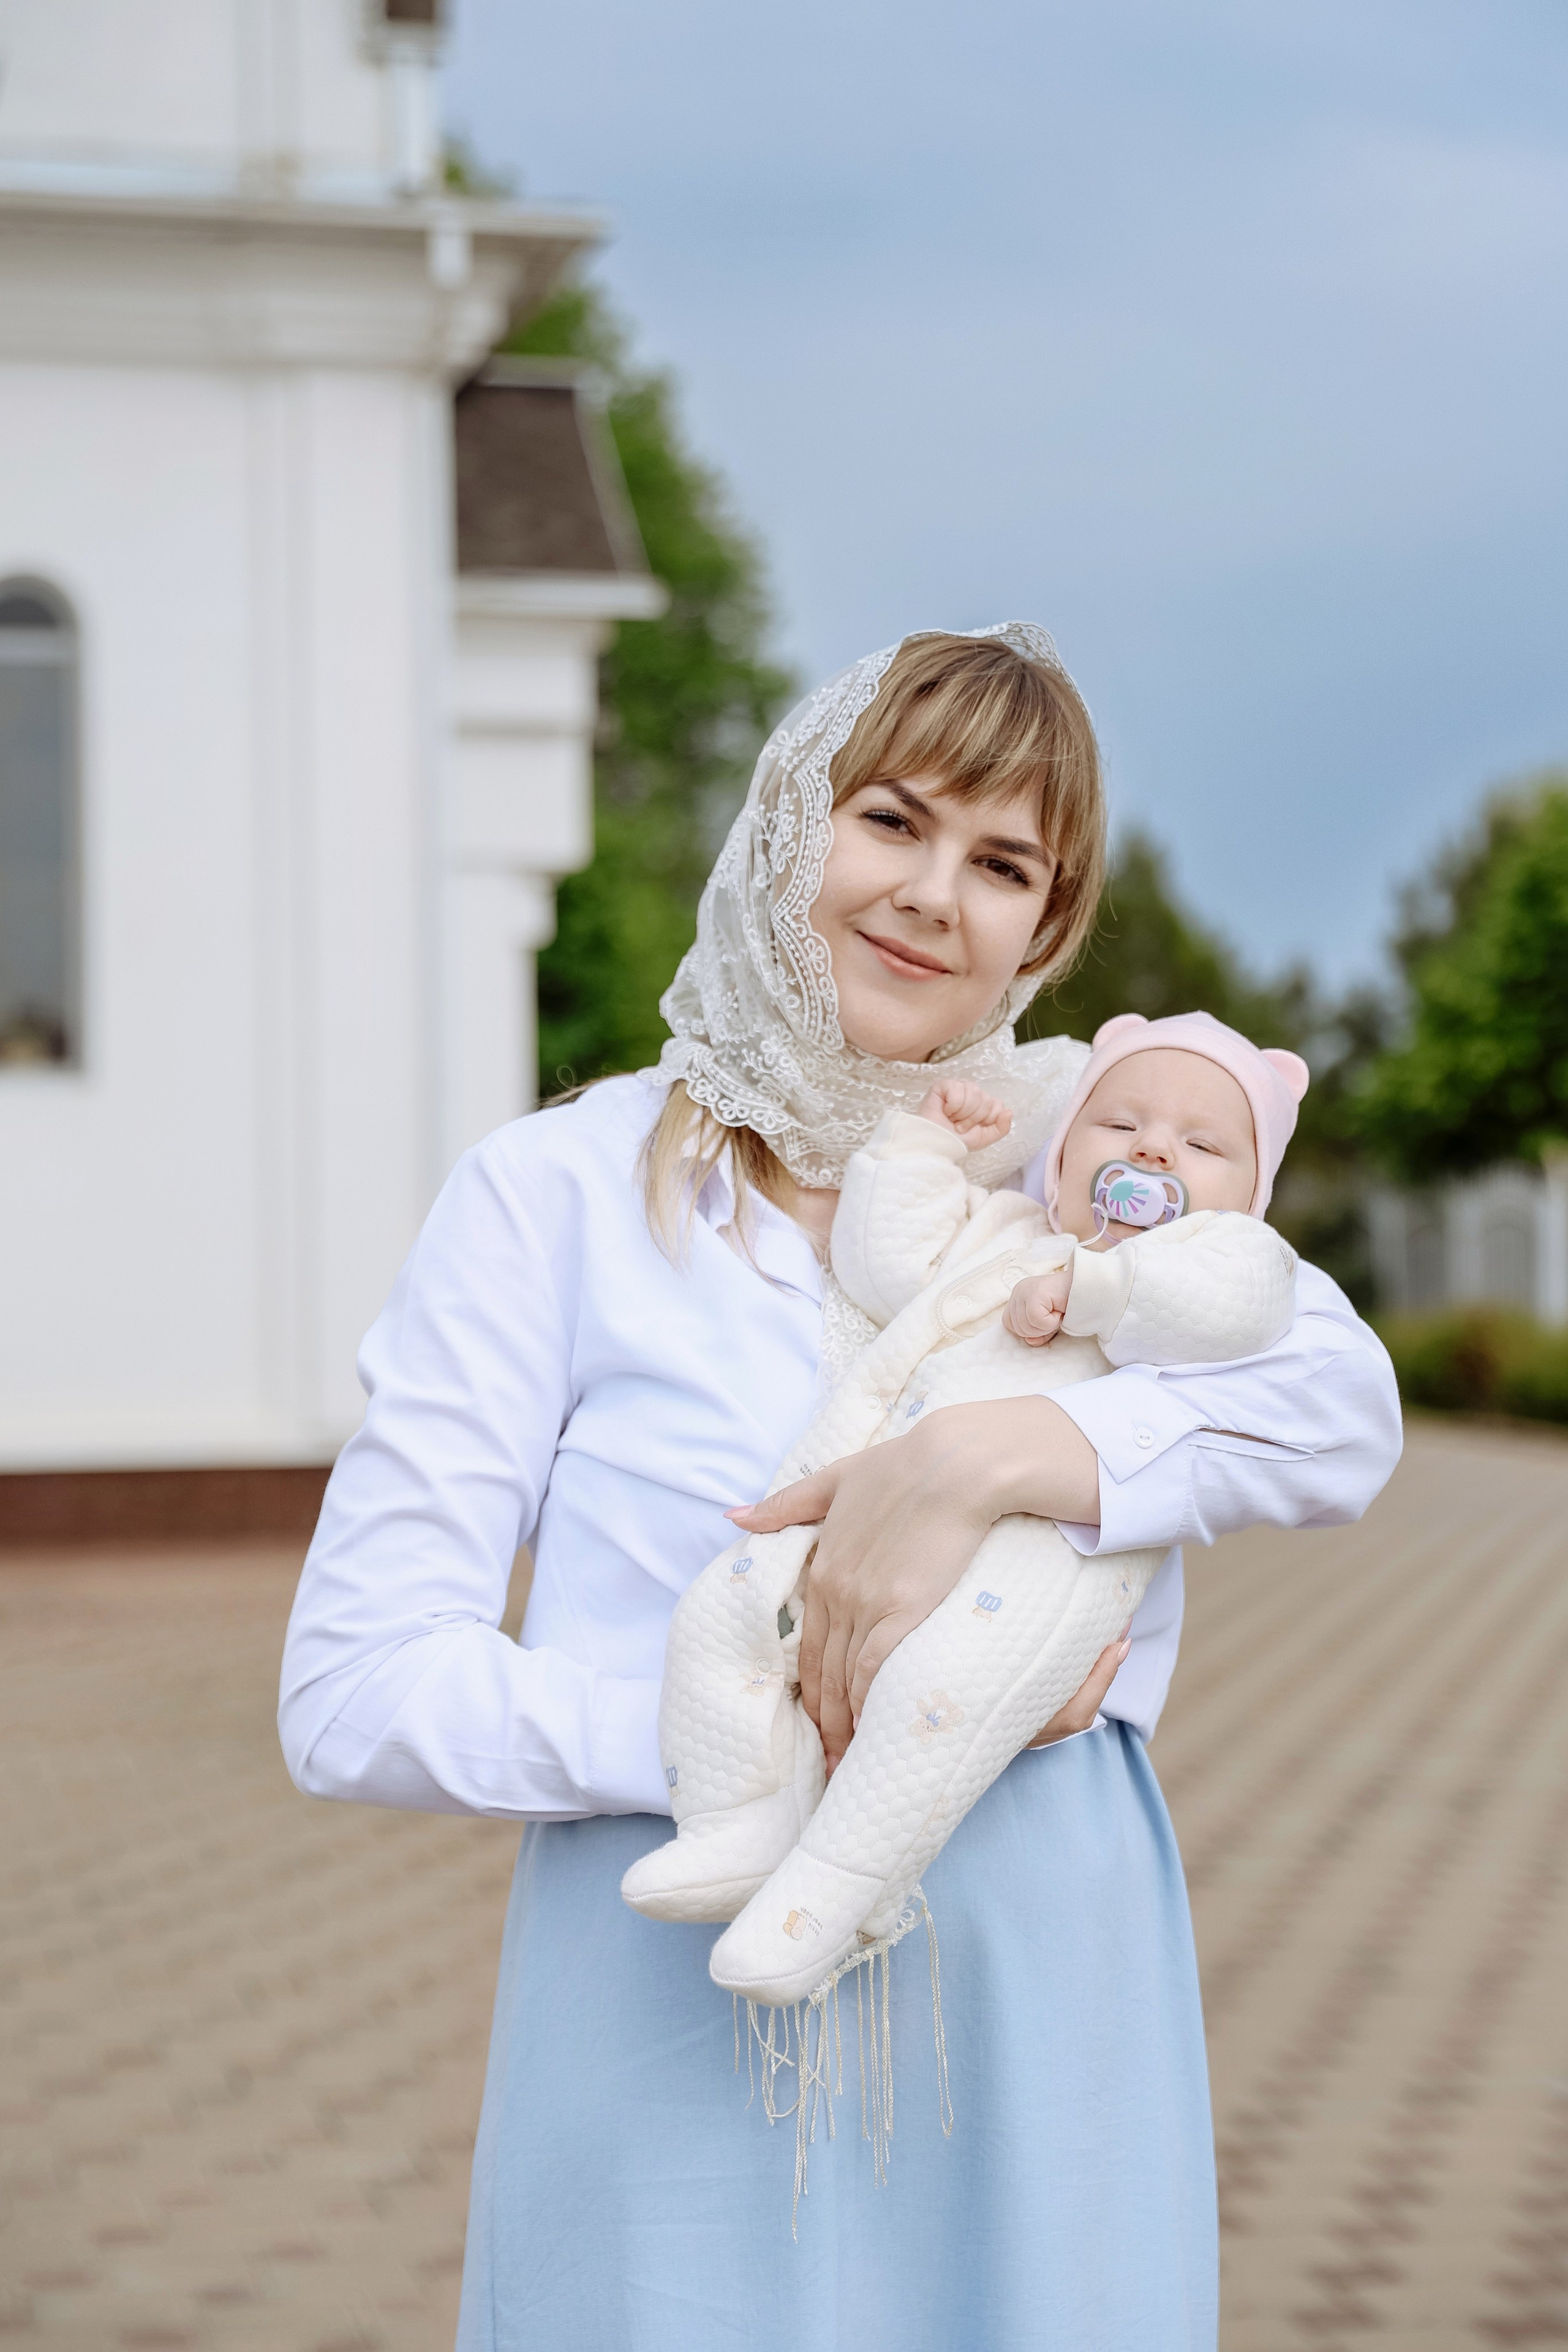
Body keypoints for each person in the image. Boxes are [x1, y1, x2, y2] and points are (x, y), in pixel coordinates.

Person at [279, 625, 1401, 2351]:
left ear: (1047, 928)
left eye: (1003, 864)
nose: (934, 897)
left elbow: (1338, 1406)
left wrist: (997, 1461)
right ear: (789, 820)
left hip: (1032, 1984)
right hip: (671, 1998)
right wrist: (754, 1738)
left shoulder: (1090, 1163)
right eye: (891, 819)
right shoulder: (552, 1196)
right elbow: (353, 1693)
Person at [624, 1017, 1304, 2025]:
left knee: (936, 1704)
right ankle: (736, 1820)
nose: (1157, 1150)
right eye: (1121, 1124)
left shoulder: (1235, 1263)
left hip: (1042, 1559)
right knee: (724, 1611)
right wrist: (923, 1150)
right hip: (858, 1506)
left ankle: (834, 1897)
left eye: (1203, 1144)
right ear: (1061, 1159)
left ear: (1249, 1197)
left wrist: (1097, 1286)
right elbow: (885, 1265)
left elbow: (1229, 1301)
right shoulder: (1002, 1232)